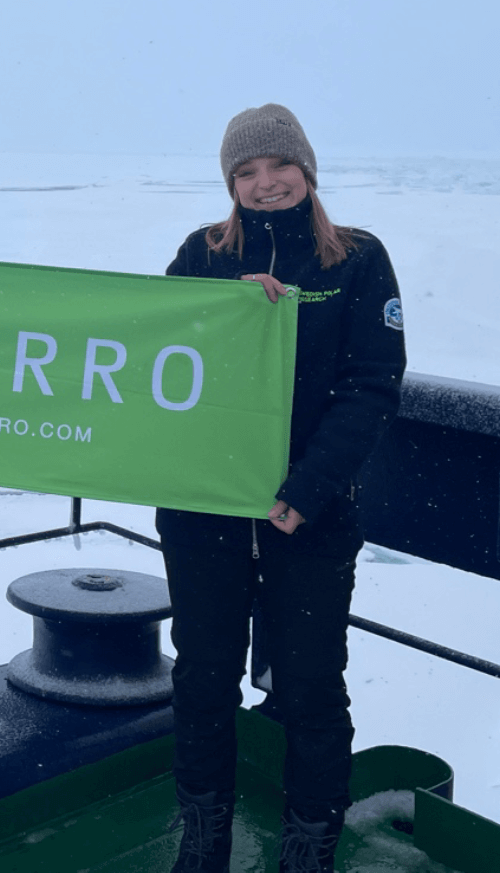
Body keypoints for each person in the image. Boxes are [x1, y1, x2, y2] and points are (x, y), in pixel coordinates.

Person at [158, 103, 406, 873]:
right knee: (202, 678)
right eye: (246, 171)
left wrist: (305, 491)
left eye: (278, 166)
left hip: (312, 517)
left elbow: (370, 386)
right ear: (229, 181)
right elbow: (156, 355)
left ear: (307, 168)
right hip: (206, 510)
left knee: (309, 688)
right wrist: (225, 307)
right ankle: (203, 842)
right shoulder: (200, 254)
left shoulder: (356, 259)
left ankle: (308, 848)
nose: (264, 183)